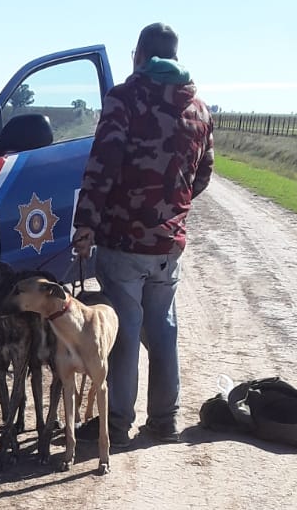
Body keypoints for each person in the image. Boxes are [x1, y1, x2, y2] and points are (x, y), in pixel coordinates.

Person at [72, 22, 213, 446]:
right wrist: (172, 207)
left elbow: (103, 165)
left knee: (125, 331)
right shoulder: (199, 109)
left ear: (138, 55)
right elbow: (203, 175)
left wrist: (86, 224)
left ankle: (115, 423)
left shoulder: (124, 99)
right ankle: (164, 421)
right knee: (164, 327)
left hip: (123, 239)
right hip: (169, 244)